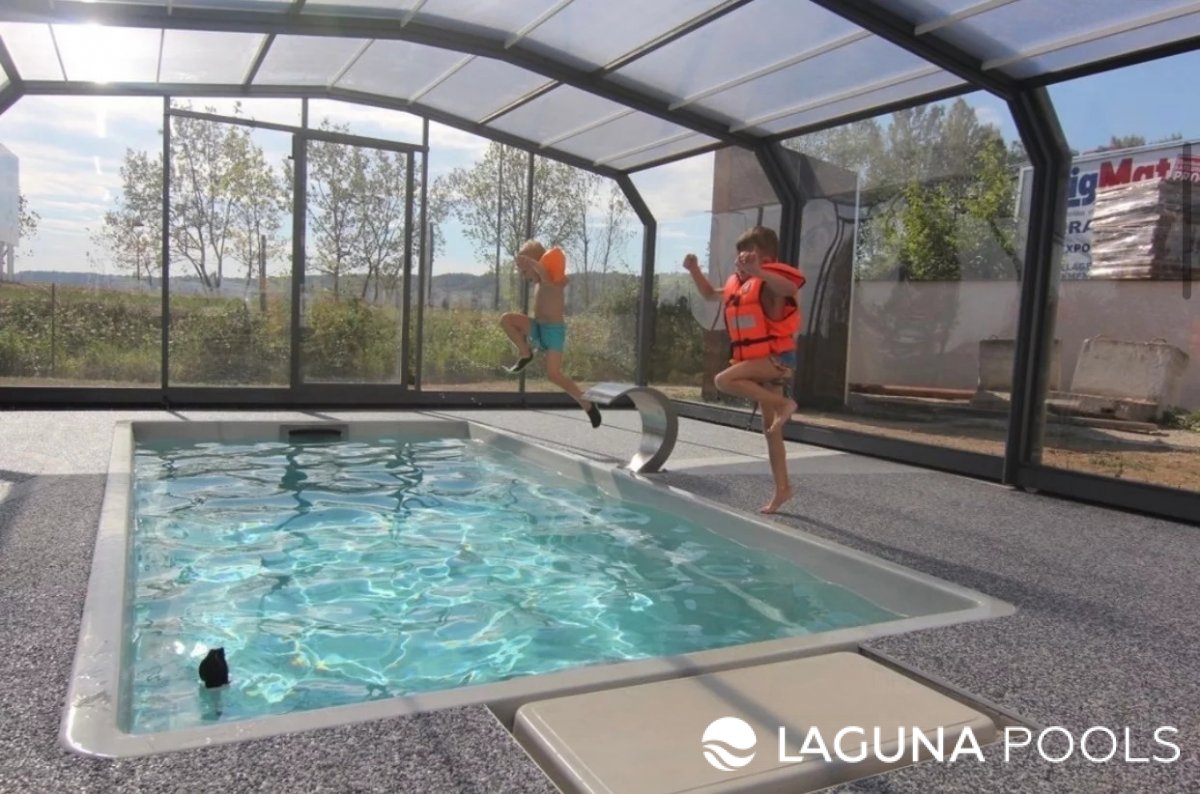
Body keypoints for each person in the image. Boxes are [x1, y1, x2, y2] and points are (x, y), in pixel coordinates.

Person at [683, 226, 805, 513]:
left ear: (766, 258)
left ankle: (784, 403)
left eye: (749, 255)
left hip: (777, 361)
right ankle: (783, 489)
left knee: (723, 380)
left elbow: (790, 289)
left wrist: (760, 272)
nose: (742, 260)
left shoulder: (772, 284)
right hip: (759, 362)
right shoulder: (739, 285)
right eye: (740, 255)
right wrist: (694, 270)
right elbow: (709, 294)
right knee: (770, 429)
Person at [500, 240, 602, 429]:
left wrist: (531, 263)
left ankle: (587, 404)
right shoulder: (539, 282)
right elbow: (540, 273)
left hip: (553, 332)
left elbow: (544, 273)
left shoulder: (552, 279)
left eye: (525, 271)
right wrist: (528, 264)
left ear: (536, 264)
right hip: (537, 327)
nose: (524, 276)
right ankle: (525, 353)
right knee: (507, 319)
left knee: (554, 375)